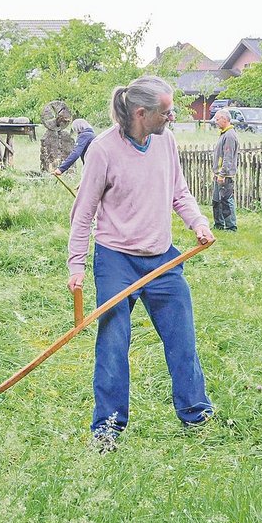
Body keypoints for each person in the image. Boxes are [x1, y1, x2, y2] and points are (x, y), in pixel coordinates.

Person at [68, 75, 215, 450]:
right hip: (116, 260)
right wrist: (77, 266)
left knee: (182, 337)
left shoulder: (167, 143)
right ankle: (107, 428)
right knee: (114, 342)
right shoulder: (103, 150)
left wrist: (197, 222)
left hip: (162, 259)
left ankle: (196, 414)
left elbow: (179, 192)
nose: (172, 117)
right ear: (141, 113)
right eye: (166, 112)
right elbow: (83, 212)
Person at [211, 109, 239, 231]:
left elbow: (228, 157)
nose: (216, 122)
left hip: (225, 176)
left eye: (217, 119)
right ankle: (219, 224)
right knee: (217, 201)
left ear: (224, 119)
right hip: (219, 174)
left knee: (226, 201)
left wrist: (222, 174)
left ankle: (231, 227)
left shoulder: (229, 136)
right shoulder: (224, 134)